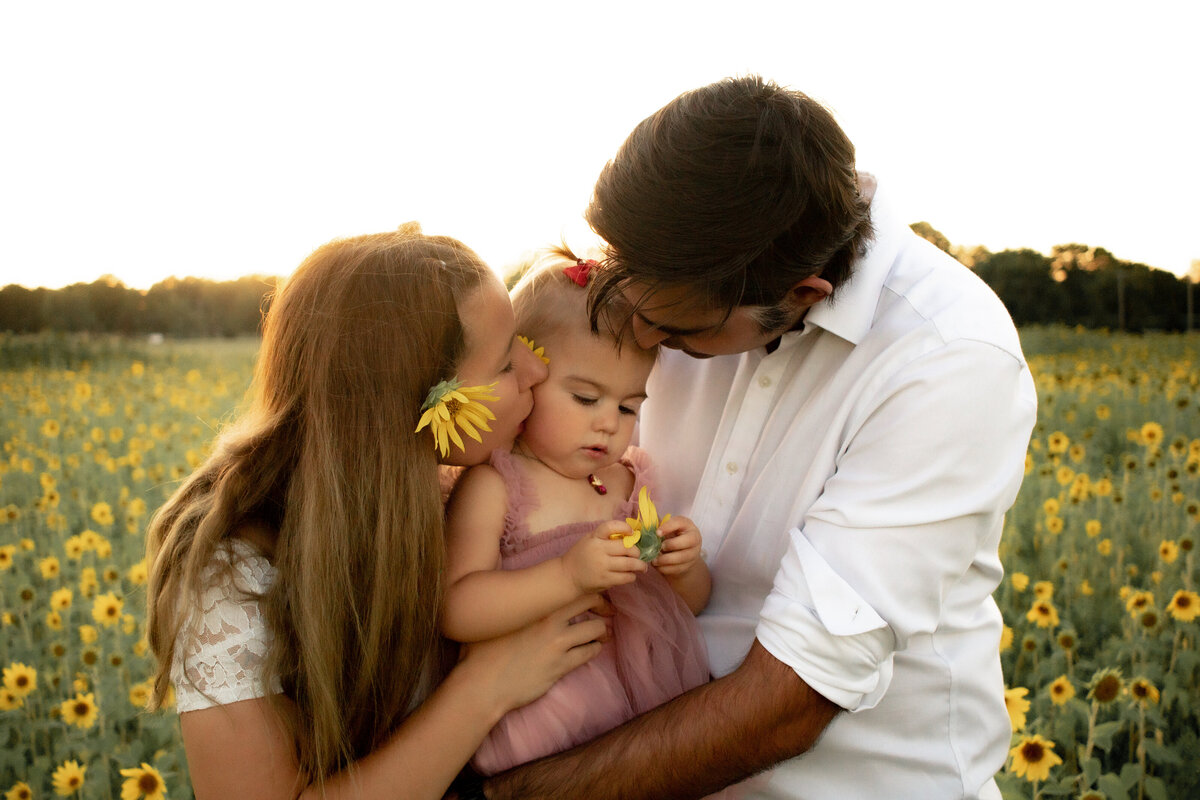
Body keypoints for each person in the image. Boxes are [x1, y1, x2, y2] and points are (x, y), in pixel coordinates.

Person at [478, 76, 1037, 799]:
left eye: (677, 333)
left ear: (803, 294)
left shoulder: (947, 355)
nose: (643, 340)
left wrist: (500, 794)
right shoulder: (669, 281)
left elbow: (792, 700)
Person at [145, 225, 608, 800]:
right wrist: (487, 686)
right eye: (503, 365)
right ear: (412, 405)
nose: (536, 369)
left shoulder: (470, 487)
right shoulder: (234, 572)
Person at [440, 248, 715, 778]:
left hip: (646, 704)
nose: (609, 423)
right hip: (546, 707)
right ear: (528, 379)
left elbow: (687, 607)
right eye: (586, 398)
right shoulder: (497, 485)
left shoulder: (633, 482)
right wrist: (568, 575)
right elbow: (456, 607)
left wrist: (683, 566)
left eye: (628, 406)